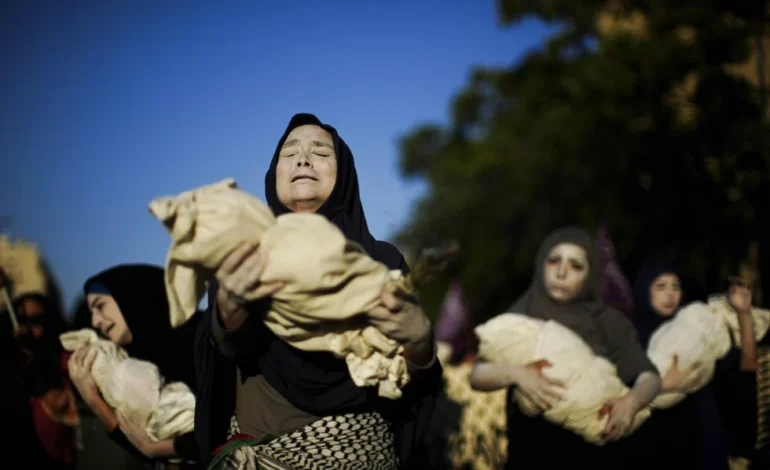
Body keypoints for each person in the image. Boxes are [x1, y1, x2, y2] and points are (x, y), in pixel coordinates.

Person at [194, 113, 442, 469]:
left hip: (356, 454)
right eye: (289, 151)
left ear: (344, 175)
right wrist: (230, 308)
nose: (303, 158)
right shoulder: (243, 254)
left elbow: (407, 376)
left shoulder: (381, 261)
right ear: (274, 173)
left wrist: (419, 342)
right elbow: (225, 351)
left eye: (321, 153)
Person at [470, 227, 661, 469]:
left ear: (591, 274)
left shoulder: (608, 321)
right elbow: (477, 375)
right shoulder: (523, 313)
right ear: (542, 265)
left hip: (598, 454)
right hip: (531, 452)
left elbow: (650, 377)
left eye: (576, 266)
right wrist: (516, 373)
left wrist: (632, 401)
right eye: (554, 261)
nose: (561, 272)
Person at [68, 264, 200, 467]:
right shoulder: (137, 364)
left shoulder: (199, 340)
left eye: (100, 305)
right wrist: (92, 396)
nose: (95, 321)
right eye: (91, 311)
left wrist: (156, 448)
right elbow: (141, 446)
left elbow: (231, 431)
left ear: (132, 296)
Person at [630, 260, 728, 470]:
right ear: (645, 289)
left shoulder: (690, 331)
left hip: (696, 443)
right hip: (652, 447)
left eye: (675, 286)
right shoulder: (629, 336)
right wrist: (664, 385)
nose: (670, 294)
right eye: (661, 286)